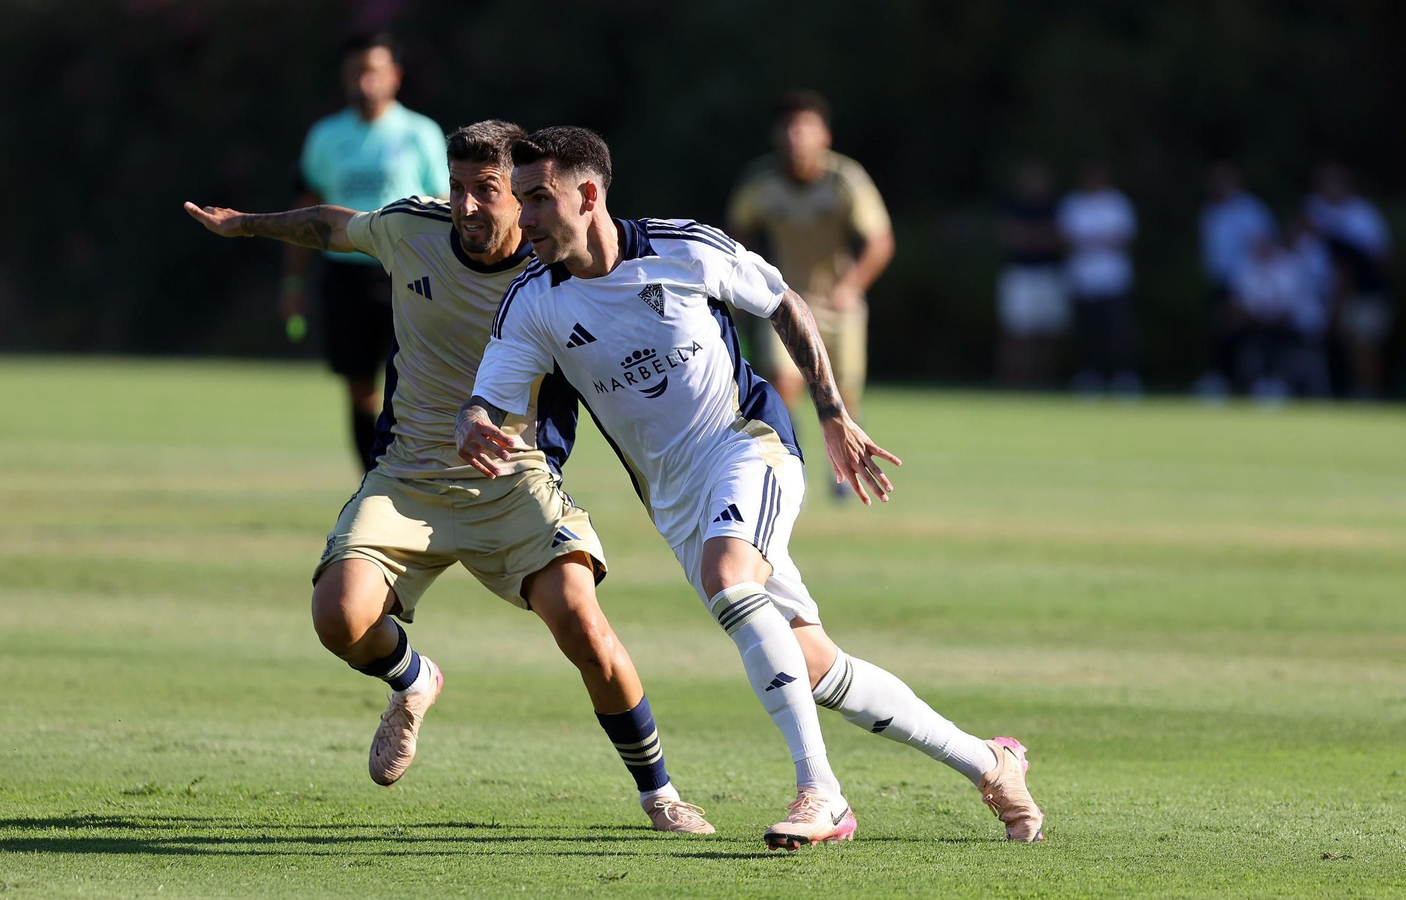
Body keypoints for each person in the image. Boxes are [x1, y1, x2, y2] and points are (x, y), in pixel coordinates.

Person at [457, 127, 1044, 850]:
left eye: (538, 199)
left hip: (749, 444)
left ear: (589, 194)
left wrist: (831, 412)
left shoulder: (682, 248)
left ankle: (821, 794)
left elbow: (785, 304)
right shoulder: (533, 300)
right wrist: (474, 422)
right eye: (521, 201)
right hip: (674, 501)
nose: (527, 218)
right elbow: (491, 395)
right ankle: (992, 764)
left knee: (731, 578)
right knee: (814, 663)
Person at [185, 121, 712, 834]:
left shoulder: (554, 264)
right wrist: (243, 225)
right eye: (457, 187)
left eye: (485, 191)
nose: (464, 206)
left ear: (523, 197)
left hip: (515, 479)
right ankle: (413, 681)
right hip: (409, 475)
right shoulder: (410, 229)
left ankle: (661, 796)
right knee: (337, 618)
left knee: (584, 627)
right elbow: (330, 224)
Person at [284, 33, 450, 468]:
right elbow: (307, 216)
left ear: (394, 76)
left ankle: (419, 472)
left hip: (408, 273)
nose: (364, 81)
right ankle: (372, 477)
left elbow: (446, 208)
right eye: (356, 72)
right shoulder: (325, 136)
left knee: (416, 380)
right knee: (359, 387)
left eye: (373, 71)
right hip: (346, 275)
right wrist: (293, 282)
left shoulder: (420, 133)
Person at [727, 91, 893, 497]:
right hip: (784, 301)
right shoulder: (761, 183)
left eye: (804, 127)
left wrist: (850, 287)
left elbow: (880, 240)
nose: (795, 136)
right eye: (788, 127)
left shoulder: (844, 180)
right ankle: (788, 462)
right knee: (784, 385)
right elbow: (735, 235)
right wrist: (747, 286)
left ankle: (844, 471)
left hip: (840, 304)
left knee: (844, 395)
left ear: (825, 136)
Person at [1305, 163, 1393, 399]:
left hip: (1364, 292)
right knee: (1342, 344)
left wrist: (1356, 280)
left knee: (1366, 342)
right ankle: (1347, 390)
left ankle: (1369, 391)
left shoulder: (1364, 214)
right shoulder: (1315, 210)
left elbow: (1381, 256)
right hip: (1327, 292)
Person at [1057, 162, 1140, 395]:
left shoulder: (1118, 203)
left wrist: (1090, 242)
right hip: (1083, 281)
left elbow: (1124, 240)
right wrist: (1100, 241)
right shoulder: (1073, 204)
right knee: (1087, 332)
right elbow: (1066, 240)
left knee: (1118, 332)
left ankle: (1123, 377)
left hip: (1114, 281)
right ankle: (1089, 376)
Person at [1198, 163, 1276, 396]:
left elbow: (1264, 244)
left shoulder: (1252, 210)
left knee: (1247, 332)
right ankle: (1220, 378)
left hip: (1246, 282)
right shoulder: (1211, 212)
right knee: (1219, 331)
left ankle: (1258, 379)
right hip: (1218, 281)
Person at [995, 159, 1069, 388]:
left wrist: (1031, 237)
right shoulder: (1012, 205)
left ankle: (1044, 386)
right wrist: (1041, 237)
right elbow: (1011, 237)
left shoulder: (1056, 206)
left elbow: (1062, 239)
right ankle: (1014, 385)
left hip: (1049, 274)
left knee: (1049, 334)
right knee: (1017, 334)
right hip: (1020, 275)